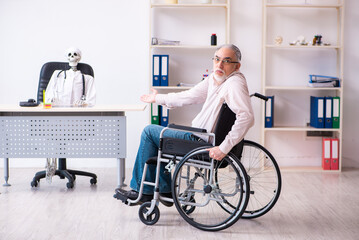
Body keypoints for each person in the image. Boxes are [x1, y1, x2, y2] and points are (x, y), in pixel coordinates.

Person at [115, 44, 254, 206]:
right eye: (217, 59)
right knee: (163, 133)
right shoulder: (216, 79)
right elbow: (189, 96)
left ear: (237, 66)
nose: (219, 65)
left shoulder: (234, 84)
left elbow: (247, 116)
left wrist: (223, 148)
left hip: (201, 142)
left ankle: (144, 191)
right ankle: (164, 189)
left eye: (226, 61)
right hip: (199, 135)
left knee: (149, 132)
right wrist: (158, 99)